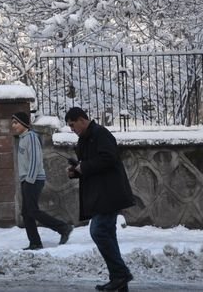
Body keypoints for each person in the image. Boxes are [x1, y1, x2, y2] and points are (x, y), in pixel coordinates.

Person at [65, 107, 135, 291]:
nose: (72, 129)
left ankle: (121, 275)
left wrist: (84, 167)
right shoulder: (85, 139)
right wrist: (76, 171)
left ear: (82, 119)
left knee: (98, 231)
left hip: (109, 193)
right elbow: (89, 166)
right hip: (100, 194)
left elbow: (109, 159)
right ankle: (119, 281)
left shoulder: (100, 134)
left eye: (73, 125)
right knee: (107, 233)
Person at [12, 111, 73, 250]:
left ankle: (63, 228)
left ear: (23, 123)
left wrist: (30, 180)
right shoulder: (23, 138)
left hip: (33, 179)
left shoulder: (31, 137)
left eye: (15, 123)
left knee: (32, 211)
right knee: (27, 213)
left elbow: (35, 159)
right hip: (27, 179)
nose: (13, 126)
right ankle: (35, 242)